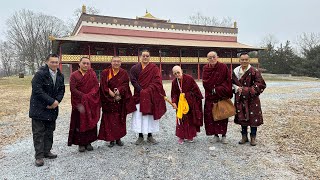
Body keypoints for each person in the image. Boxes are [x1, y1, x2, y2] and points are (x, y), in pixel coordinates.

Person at [29, 54, 65, 167]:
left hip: (52, 109)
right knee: (39, 133)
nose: (54, 64)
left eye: (56, 62)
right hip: (39, 108)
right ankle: (39, 156)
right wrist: (51, 101)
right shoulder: (40, 74)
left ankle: (47, 151)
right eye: (52, 62)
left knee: (49, 131)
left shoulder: (60, 75)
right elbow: (37, 90)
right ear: (46, 62)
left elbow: (62, 90)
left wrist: (57, 101)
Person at [130, 50, 166, 145]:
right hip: (139, 95)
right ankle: (140, 136)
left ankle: (150, 136)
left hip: (151, 95)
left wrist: (148, 90)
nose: (145, 57)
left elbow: (157, 81)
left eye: (147, 56)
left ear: (150, 57)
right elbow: (133, 80)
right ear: (140, 57)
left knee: (150, 115)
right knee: (139, 116)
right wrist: (141, 90)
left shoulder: (154, 68)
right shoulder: (135, 68)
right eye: (143, 56)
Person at [98, 56, 136, 147]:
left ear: (120, 63)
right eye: (114, 61)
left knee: (119, 119)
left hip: (120, 100)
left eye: (118, 61)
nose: (116, 63)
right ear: (111, 62)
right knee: (109, 120)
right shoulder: (105, 72)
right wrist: (110, 93)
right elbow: (103, 85)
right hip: (108, 100)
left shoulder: (124, 73)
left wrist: (119, 91)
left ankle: (118, 138)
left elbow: (125, 85)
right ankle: (111, 139)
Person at [232, 53, 266, 146]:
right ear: (239, 60)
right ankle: (244, 136)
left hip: (252, 99)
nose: (244, 61)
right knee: (242, 116)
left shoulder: (254, 71)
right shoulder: (235, 71)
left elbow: (261, 84)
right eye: (242, 60)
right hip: (240, 98)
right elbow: (231, 83)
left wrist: (247, 90)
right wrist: (236, 88)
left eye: (246, 59)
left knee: (253, 118)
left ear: (249, 60)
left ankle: (253, 137)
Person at [68, 57, 100, 152]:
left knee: (90, 121)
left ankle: (89, 142)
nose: (86, 65)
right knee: (79, 122)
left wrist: (89, 96)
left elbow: (96, 86)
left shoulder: (92, 74)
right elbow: (73, 89)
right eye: (84, 63)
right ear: (79, 63)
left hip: (90, 102)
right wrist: (83, 96)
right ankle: (80, 143)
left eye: (88, 63)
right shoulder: (74, 75)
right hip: (79, 103)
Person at [202, 51, 232, 144]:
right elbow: (205, 82)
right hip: (210, 96)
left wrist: (218, 89)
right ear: (207, 59)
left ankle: (224, 135)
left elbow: (227, 80)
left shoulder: (223, 67)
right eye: (210, 58)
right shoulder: (205, 68)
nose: (212, 59)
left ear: (217, 57)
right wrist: (213, 89)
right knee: (211, 116)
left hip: (221, 95)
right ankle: (215, 135)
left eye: (213, 57)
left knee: (223, 115)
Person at [171, 65, 203, 144]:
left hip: (190, 103)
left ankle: (190, 135)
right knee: (181, 120)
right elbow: (174, 94)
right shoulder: (174, 82)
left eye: (178, 72)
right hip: (180, 104)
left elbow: (196, 91)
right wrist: (174, 102)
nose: (177, 74)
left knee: (190, 120)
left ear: (181, 71)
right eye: (175, 73)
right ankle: (181, 136)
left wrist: (187, 95)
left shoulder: (189, 79)